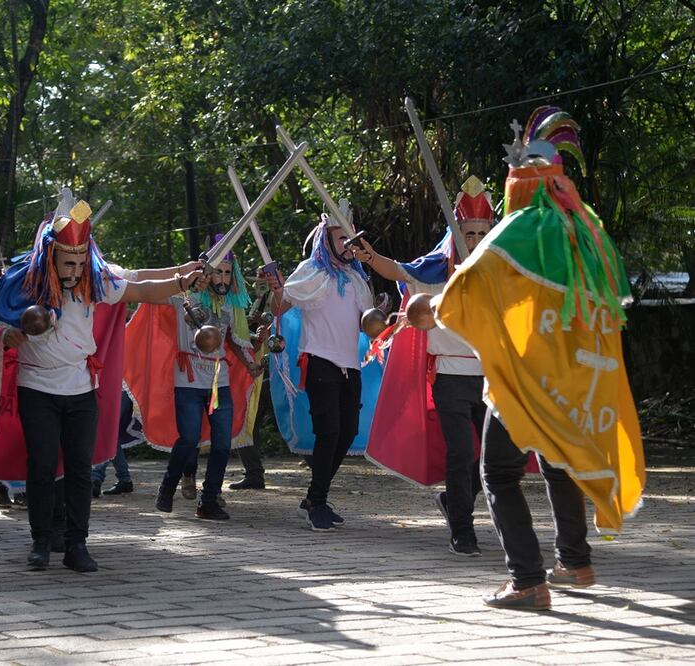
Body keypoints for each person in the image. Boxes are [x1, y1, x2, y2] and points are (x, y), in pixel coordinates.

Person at [0, 191, 206, 572]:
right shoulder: (22, 283)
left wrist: (182, 282)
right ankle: (41, 541)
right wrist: (10, 337)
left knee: (78, 468)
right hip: (36, 388)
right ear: (51, 254)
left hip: (82, 389)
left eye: (80, 261)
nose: (74, 269)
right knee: (41, 465)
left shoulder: (95, 281)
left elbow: (140, 288)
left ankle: (77, 544)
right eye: (68, 262)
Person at [433, 107, 645, 610]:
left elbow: (465, 289)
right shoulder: (587, 230)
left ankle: (527, 580)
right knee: (557, 460)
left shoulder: (520, 228)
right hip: (576, 375)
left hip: (526, 376)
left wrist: (431, 309)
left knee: (498, 473)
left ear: (521, 182)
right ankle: (574, 560)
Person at [351, 176, 496, 556]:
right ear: (457, 233)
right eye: (468, 232)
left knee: (495, 456)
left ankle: (453, 501)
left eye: (481, 233)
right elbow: (399, 271)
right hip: (449, 376)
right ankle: (462, 529)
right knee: (461, 453)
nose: (474, 240)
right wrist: (371, 258)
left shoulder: (502, 272)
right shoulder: (435, 271)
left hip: (494, 379)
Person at [129, 236, 261, 520]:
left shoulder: (230, 305)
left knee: (222, 444)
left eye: (227, 272)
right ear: (206, 272)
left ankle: (209, 501)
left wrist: (250, 365)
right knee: (188, 439)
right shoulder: (184, 298)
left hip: (218, 382)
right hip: (187, 381)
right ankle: (167, 489)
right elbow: (148, 294)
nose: (222, 278)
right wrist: (178, 279)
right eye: (218, 271)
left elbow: (232, 340)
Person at [266, 213, 373, 531]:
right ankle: (317, 501)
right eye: (342, 238)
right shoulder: (310, 270)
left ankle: (315, 498)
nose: (348, 244)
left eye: (351, 238)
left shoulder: (357, 278)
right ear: (326, 240)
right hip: (319, 361)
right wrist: (277, 289)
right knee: (329, 432)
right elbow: (278, 308)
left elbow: (368, 320)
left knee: (348, 432)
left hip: (350, 365)